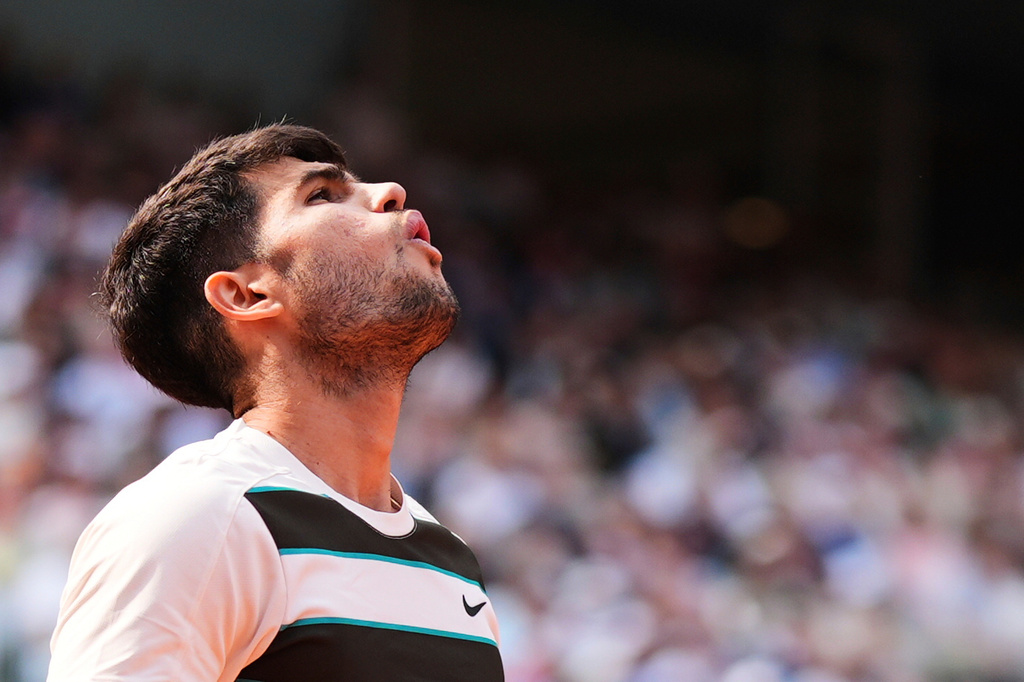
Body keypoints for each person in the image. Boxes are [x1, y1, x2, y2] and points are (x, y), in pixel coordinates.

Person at [46, 124, 504, 681]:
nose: (389, 191)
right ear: (248, 294)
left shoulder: (452, 562)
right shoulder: (202, 516)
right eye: (322, 195)